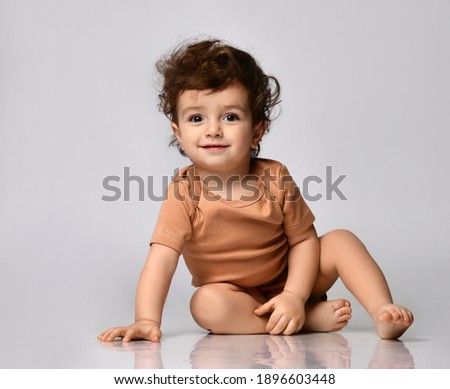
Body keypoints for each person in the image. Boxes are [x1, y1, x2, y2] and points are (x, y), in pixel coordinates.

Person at [98, 39, 413, 343]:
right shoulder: (184, 194)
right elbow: (161, 260)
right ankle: (304, 320)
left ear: (257, 130)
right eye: (197, 118)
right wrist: (146, 320)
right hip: (239, 299)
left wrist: (293, 294)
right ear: (179, 134)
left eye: (230, 116)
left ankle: (381, 311)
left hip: (295, 279)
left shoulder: (274, 176)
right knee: (205, 304)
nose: (213, 129)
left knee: (341, 241)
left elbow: (303, 241)